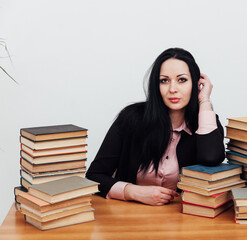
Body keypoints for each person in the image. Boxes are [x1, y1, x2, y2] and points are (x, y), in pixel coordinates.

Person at [86, 48, 225, 206]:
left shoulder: (205, 121)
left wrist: (204, 101)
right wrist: (132, 191)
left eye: (182, 80)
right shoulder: (131, 118)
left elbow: (212, 157)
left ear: (195, 83)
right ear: (156, 86)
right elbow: (94, 176)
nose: (173, 89)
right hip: (129, 215)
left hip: (184, 220)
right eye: (164, 80)